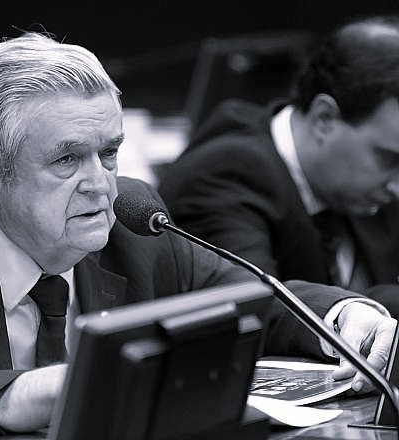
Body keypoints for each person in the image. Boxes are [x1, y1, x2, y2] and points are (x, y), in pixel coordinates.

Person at [0, 32, 397, 439]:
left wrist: (342, 313)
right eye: (67, 159)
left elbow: (251, 298)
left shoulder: (130, 220)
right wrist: (43, 390)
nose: (100, 184)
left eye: (110, 152)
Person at [158, 15, 399, 316]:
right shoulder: (223, 177)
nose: (397, 187)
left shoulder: (363, 178)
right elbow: (258, 312)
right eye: (390, 159)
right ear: (324, 119)